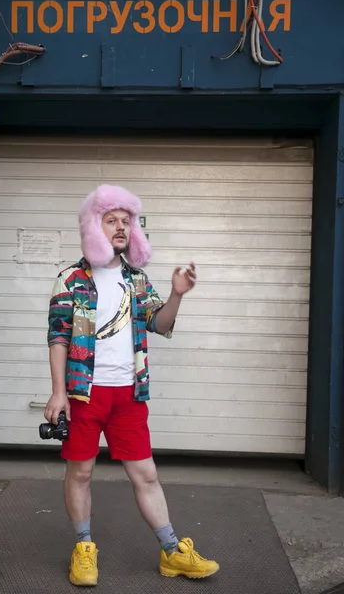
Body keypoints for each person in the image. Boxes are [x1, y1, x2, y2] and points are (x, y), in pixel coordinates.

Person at [45, 184, 219, 586]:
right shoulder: (71, 278)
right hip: (84, 393)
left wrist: (176, 295)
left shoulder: (136, 280)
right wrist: (58, 392)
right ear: (94, 226)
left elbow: (159, 323)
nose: (121, 228)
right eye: (111, 221)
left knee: (147, 475)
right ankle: (84, 548)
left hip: (128, 395)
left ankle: (173, 552)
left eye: (126, 221)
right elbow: (59, 338)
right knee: (81, 473)